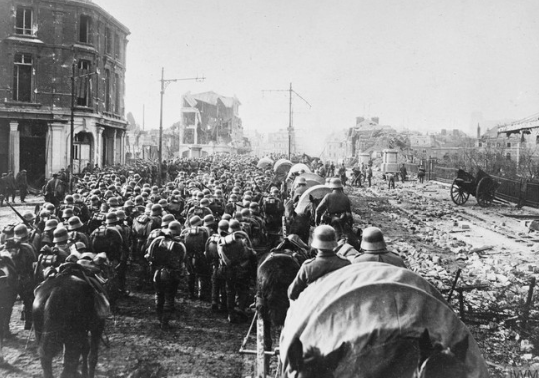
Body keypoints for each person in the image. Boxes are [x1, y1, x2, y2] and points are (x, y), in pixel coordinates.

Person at [287, 225, 350, 300]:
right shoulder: (345, 263)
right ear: (334, 242)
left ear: (316, 244)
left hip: (315, 309)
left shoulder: (308, 266)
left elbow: (292, 294)